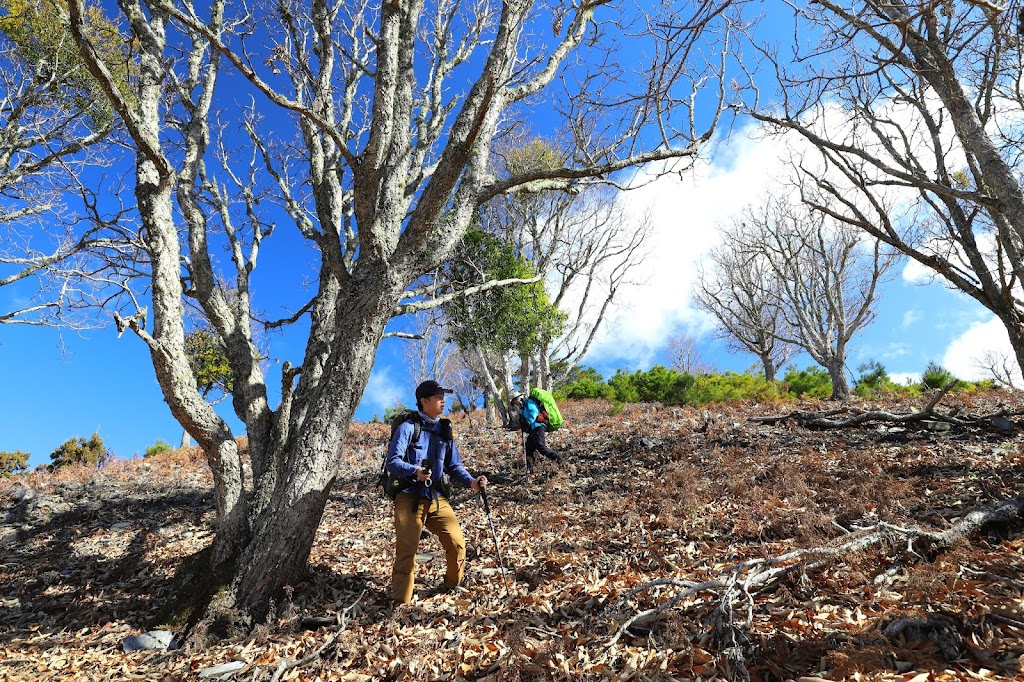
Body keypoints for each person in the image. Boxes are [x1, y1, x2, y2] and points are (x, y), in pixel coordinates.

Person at [386, 379, 488, 604]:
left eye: (444, 396)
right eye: (438, 396)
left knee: (457, 543)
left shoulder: (444, 430)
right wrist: (415, 471)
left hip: (436, 497)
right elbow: (392, 462)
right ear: (424, 401)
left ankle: (450, 586)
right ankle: (400, 604)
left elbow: (454, 466)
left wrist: (472, 482)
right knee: (407, 554)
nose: (443, 400)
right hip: (409, 496)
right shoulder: (408, 427)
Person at [510, 391, 562, 471]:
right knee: (528, 449)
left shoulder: (528, 402)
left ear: (517, 398)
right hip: (533, 429)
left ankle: (560, 460)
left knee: (541, 447)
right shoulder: (523, 408)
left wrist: (528, 422)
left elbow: (533, 412)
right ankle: (531, 469)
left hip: (538, 426)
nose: (514, 404)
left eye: (514, 401)